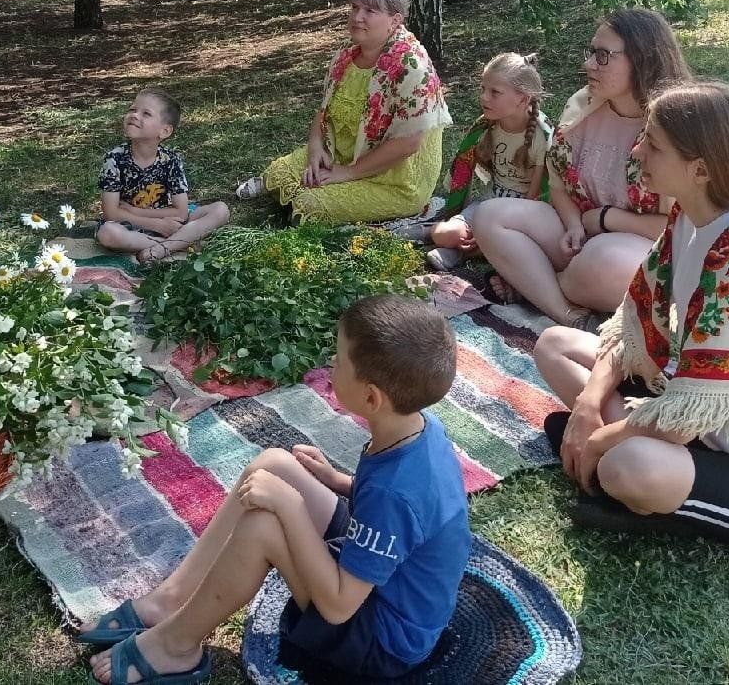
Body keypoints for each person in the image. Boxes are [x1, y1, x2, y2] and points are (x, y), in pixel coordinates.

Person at [79, 293, 470, 684]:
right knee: (274, 464)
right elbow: (409, 512)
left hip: (378, 638)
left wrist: (291, 507)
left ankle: (176, 646)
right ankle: (171, 599)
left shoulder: (393, 493)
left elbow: (338, 607)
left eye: (339, 359)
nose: (330, 363)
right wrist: (338, 482)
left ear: (371, 396)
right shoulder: (418, 428)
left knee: (263, 526)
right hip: (378, 575)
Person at [535, 81, 729, 544]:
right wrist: (587, 410)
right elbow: (633, 328)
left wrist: (599, 439)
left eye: (653, 145)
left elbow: (684, 421)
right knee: (555, 345)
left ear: (700, 169)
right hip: (698, 416)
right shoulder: (689, 215)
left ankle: (630, 485)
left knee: (628, 465)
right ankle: (615, 461)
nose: (637, 152)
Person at [470, 8, 689, 323]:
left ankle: (535, 283)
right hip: (579, 235)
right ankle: (567, 313)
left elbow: (683, 227)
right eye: (591, 52)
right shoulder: (583, 107)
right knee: (490, 215)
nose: (588, 64)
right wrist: (574, 224)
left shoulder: (676, 126)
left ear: (642, 58)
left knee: (601, 262)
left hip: (642, 250)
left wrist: (606, 218)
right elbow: (558, 186)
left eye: (603, 56)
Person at [235, 0, 451, 225]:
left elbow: (408, 144)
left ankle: (399, 209)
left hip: (395, 179)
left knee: (310, 205)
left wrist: (348, 173)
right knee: (280, 174)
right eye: (355, 7)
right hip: (342, 152)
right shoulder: (347, 53)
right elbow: (325, 110)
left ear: (395, 20)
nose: (357, 17)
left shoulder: (412, 66)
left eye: (370, 11)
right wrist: (316, 148)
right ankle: (298, 188)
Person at [425, 53, 550, 272]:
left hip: (519, 217)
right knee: (445, 234)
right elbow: (465, 168)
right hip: (487, 205)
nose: (484, 97)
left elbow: (535, 200)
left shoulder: (542, 137)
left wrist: (489, 231)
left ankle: (461, 252)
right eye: (483, 89)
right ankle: (438, 234)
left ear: (523, 99)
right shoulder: (486, 127)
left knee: (516, 243)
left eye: (495, 92)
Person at [95, 89, 231, 265]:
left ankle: (161, 249)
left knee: (221, 209)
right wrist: (155, 224)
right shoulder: (115, 159)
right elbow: (111, 213)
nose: (134, 115)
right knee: (107, 233)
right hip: (132, 225)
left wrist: (136, 211)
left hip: (170, 222)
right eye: (132, 109)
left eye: (146, 113)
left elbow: (181, 211)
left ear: (165, 131)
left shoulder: (171, 160)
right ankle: (180, 245)